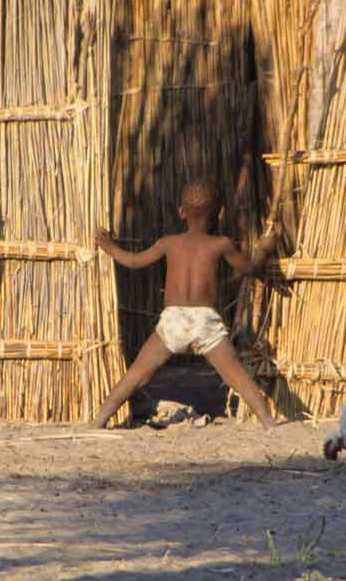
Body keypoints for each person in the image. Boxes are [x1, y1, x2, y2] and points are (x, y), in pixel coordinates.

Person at [92, 180, 279, 430]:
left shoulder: (168, 242)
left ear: (182, 212)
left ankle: (99, 420)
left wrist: (110, 247)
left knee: (136, 375)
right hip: (205, 322)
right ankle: (268, 422)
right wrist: (263, 249)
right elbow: (251, 269)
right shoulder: (221, 244)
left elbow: (134, 262)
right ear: (220, 212)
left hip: (173, 320)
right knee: (236, 375)